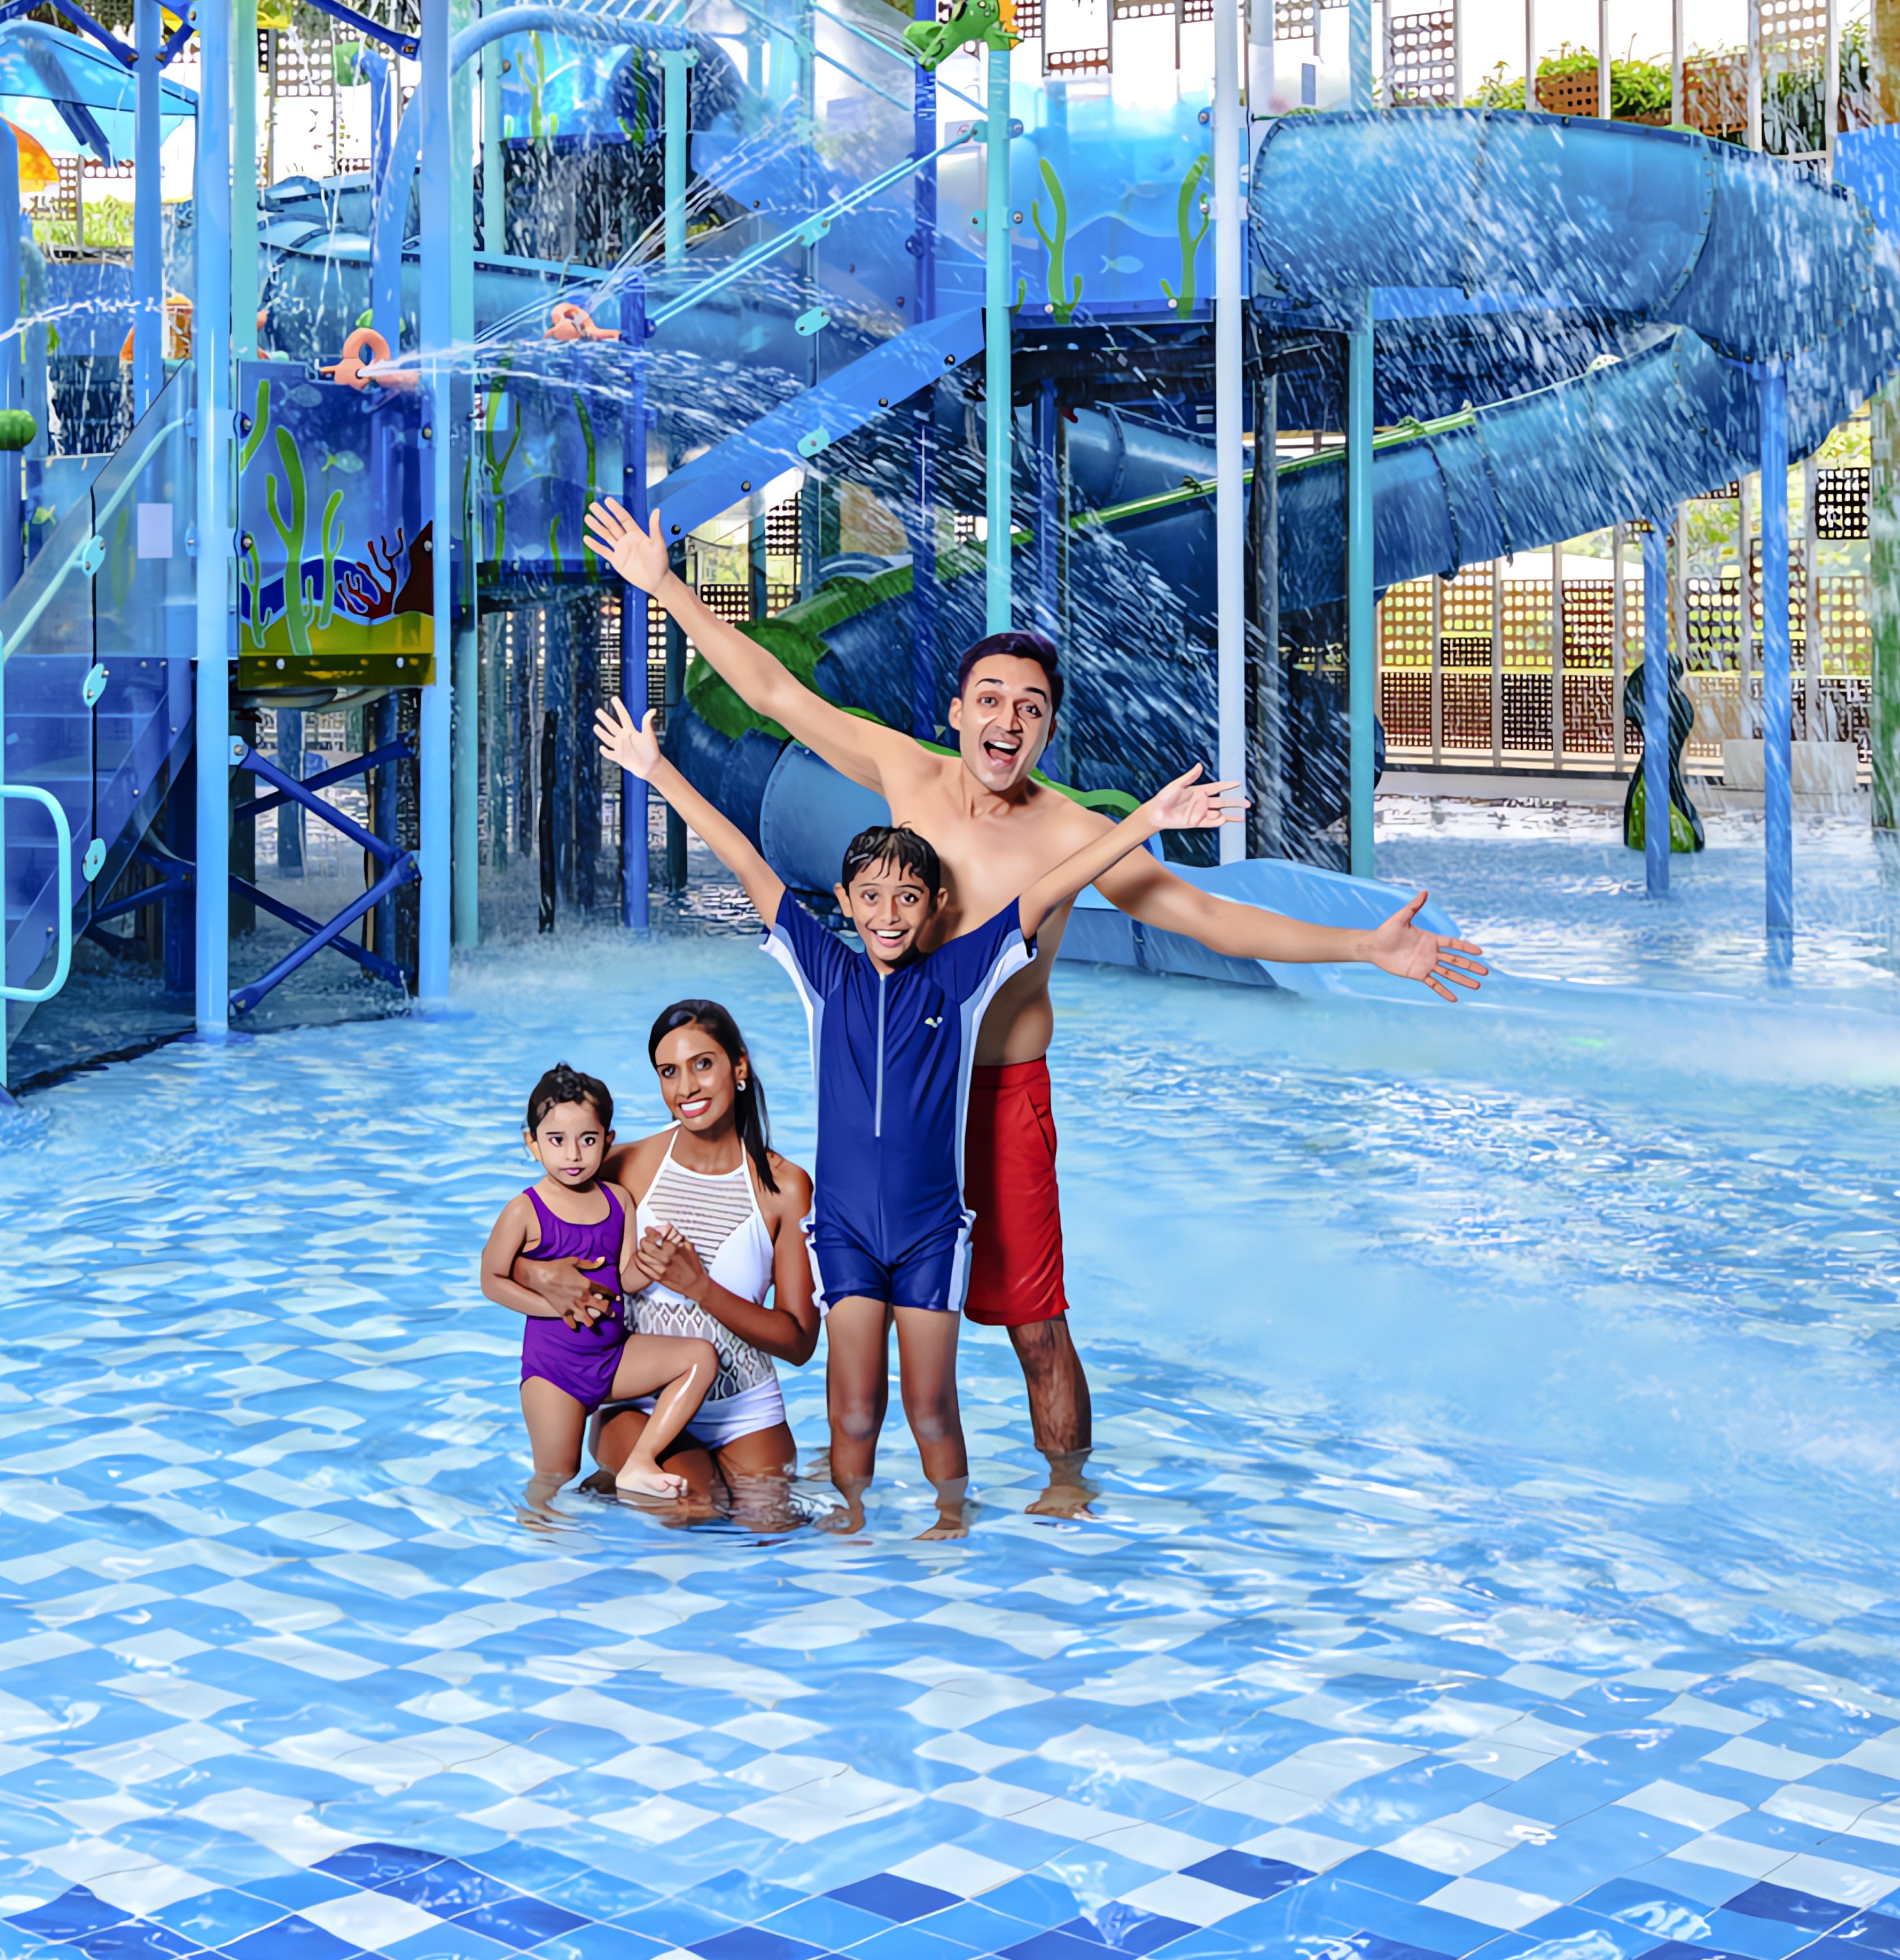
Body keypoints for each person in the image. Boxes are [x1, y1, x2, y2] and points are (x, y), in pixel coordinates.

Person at [587, 500, 1488, 1477]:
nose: (1006, 720)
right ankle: (860, 1513)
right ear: (957, 711)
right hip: (889, 1103)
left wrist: (1363, 948)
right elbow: (772, 693)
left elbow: (1206, 917)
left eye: (1029, 707)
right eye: (990, 699)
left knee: (1034, 1326)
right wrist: (663, 584)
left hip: (1000, 1100)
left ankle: (1066, 1499)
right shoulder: (906, 774)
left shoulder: (1066, 833)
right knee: (865, 1333)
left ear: (1047, 729)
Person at [592, 701, 1220, 1500]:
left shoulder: (959, 979)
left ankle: (948, 1526)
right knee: (854, 1412)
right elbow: (746, 861)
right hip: (849, 1232)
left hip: (931, 1233)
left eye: (909, 899)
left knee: (930, 1409)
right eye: (872, 897)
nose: (889, 914)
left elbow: (1046, 888)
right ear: (845, 903)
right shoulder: (827, 974)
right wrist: (657, 773)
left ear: (937, 912)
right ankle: (852, 1525)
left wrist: (1145, 821)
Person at [533, 999, 821, 1513]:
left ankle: (611, 1488)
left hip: (744, 1408)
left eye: (702, 1064)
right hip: (640, 1402)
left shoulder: (785, 1188)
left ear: (739, 1068)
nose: (685, 1088)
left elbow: (799, 1342)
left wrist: (701, 1288)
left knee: (774, 1524)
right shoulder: (629, 1165)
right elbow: (531, 1228)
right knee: (693, 1505)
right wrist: (543, 1274)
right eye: (669, 1072)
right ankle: (622, 1474)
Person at [472, 1064, 718, 1500]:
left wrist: (658, 1258)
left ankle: (639, 1463)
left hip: (614, 1357)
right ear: (532, 1144)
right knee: (556, 1474)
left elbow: (625, 1279)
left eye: (587, 1140)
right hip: (555, 1371)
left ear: (608, 1141)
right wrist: (556, 1308)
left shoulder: (618, 1201)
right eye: (556, 1141)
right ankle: (539, 1537)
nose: (573, 1154)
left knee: (699, 1357)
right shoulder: (524, 1211)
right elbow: (491, 1280)